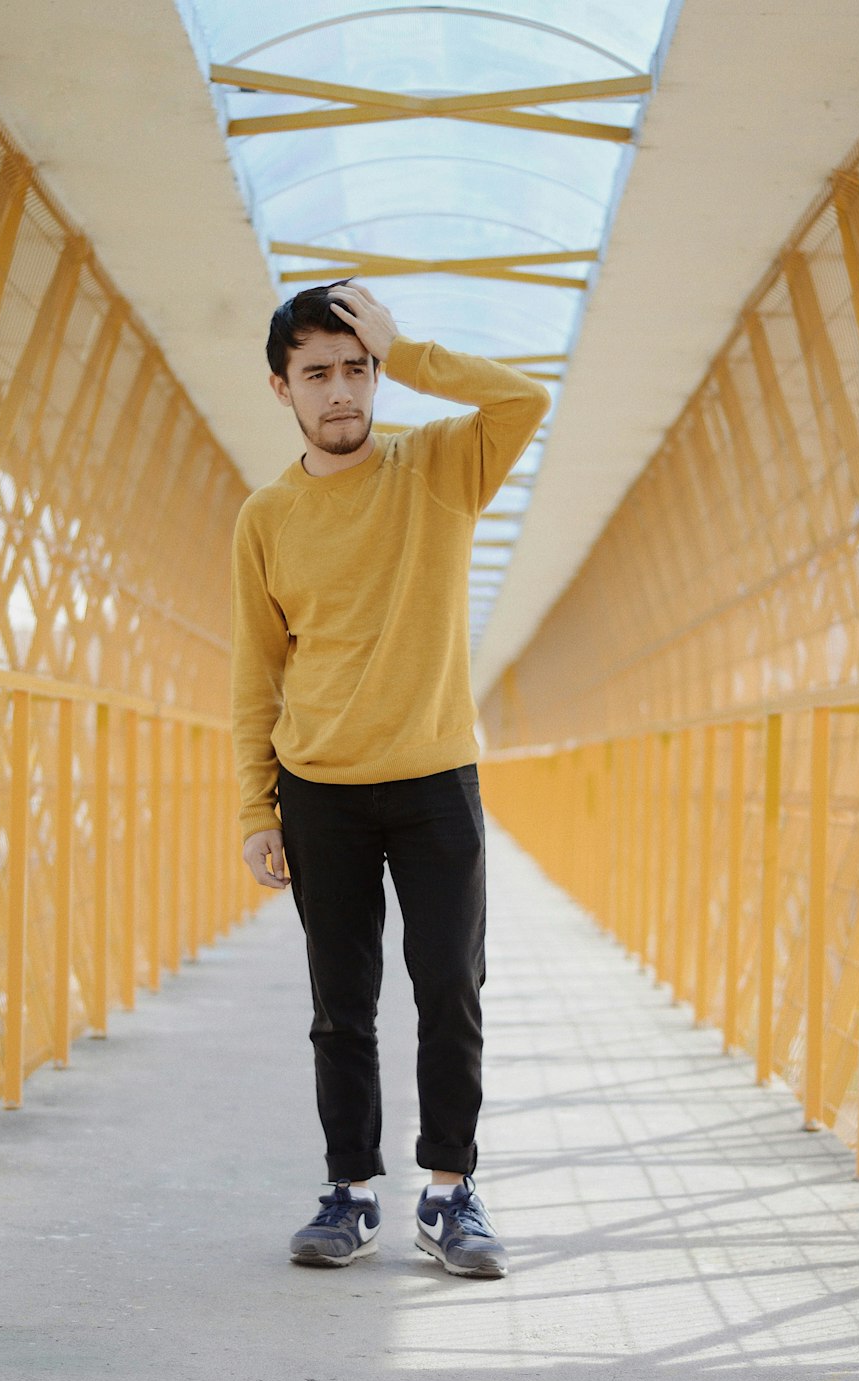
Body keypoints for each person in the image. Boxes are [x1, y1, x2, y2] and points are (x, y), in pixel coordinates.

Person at [230, 280, 549, 1278]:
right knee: (343, 1001)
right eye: (317, 372)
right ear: (281, 387)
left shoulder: (440, 468)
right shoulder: (267, 517)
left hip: (435, 780)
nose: (340, 390)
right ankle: (349, 1193)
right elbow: (258, 673)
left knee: (451, 985)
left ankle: (449, 1196)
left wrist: (406, 349)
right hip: (317, 789)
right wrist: (256, 808)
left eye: (355, 368)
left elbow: (522, 401)